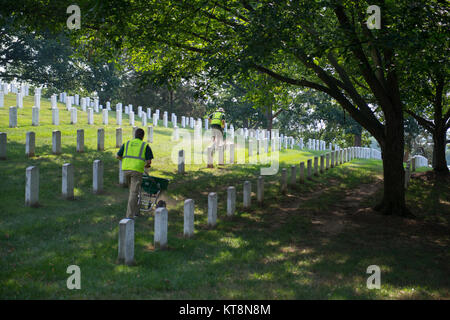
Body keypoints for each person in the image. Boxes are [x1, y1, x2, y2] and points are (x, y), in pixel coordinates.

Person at [116, 128, 154, 218]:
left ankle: (137, 212)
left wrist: (126, 161)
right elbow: (149, 162)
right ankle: (129, 216)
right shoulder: (145, 146)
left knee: (134, 191)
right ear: (143, 136)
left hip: (126, 170)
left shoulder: (127, 143)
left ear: (135, 135)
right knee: (134, 193)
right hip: (136, 171)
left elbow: (118, 156)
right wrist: (145, 166)